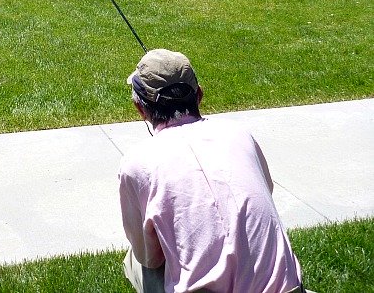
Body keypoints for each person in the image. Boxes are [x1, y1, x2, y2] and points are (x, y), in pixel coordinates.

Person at [119, 49, 314, 293]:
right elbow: (267, 190)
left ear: (140, 108)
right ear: (199, 95)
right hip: (288, 289)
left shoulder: (137, 163)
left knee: (136, 258)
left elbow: (149, 258)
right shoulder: (240, 135)